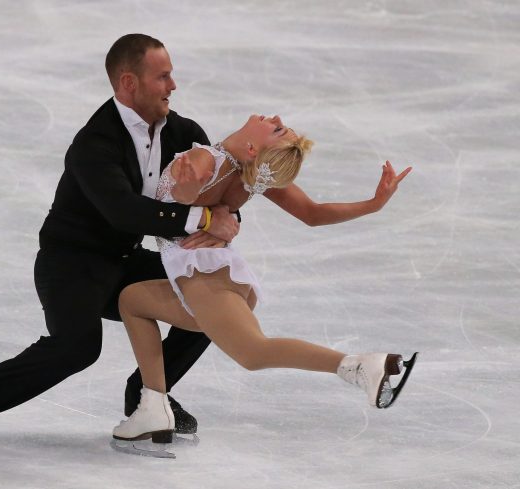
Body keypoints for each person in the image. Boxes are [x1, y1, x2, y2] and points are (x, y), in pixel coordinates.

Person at [0, 33, 242, 442]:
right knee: (76, 349)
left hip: (124, 258)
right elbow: (122, 211)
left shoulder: (183, 133)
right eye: (162, 77)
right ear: (129, 83)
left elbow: (219, 190)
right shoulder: (95, 142)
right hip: (72, 263)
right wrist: (205, 217)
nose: (172, 86)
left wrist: (228, 218)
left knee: (215, 295)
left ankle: (148, 395)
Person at [111, 114, 417, 445]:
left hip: (204, 279)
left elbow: (188, 195)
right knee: (132, 300)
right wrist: (372, 205)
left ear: (253, 148)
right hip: (218, 277)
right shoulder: (251, 175)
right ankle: (153, 405)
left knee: (254, 352)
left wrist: (187, 190)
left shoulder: (205, 159)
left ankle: (361, 367)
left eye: (277, 128)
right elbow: (312, 214)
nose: (275, 118)